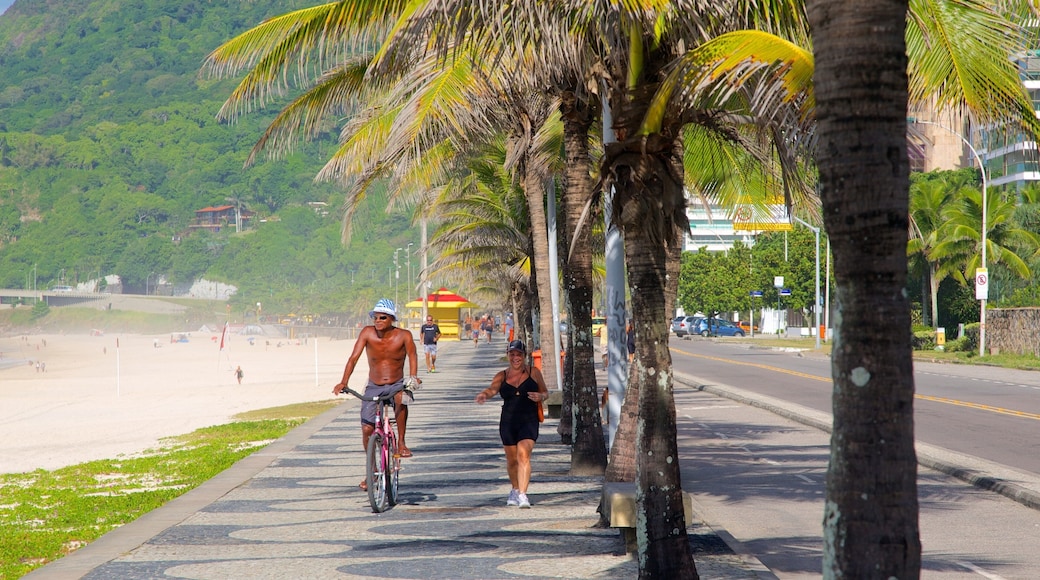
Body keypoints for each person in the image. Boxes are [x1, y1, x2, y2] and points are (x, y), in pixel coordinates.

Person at [333, 299, 421, 490]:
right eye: (375, 317)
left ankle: (401, 443)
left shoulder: (404, 335)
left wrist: (413, 378)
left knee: (401, 398)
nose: (378, 320)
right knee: (367, 429)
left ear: (392, 319)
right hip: (374, 385)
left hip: (396, 383)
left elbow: (413, 356)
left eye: (383, 317)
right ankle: (372, 471)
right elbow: (353, 358)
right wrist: (344, 382)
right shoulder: (367, 333)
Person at [474, 339, 549, 508]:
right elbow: (492, 389)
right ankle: (515, 489)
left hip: (529, 420)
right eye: (512, 354)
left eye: (519, 354)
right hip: (508, 422)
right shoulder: (502, 375)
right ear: (508, 355)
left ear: (524, 356)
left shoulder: (534, 372)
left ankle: (523, 494)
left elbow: (545, 392)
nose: (516, 358)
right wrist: (484, 395)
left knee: (524, 455)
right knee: (512, 460)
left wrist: (541, 396)